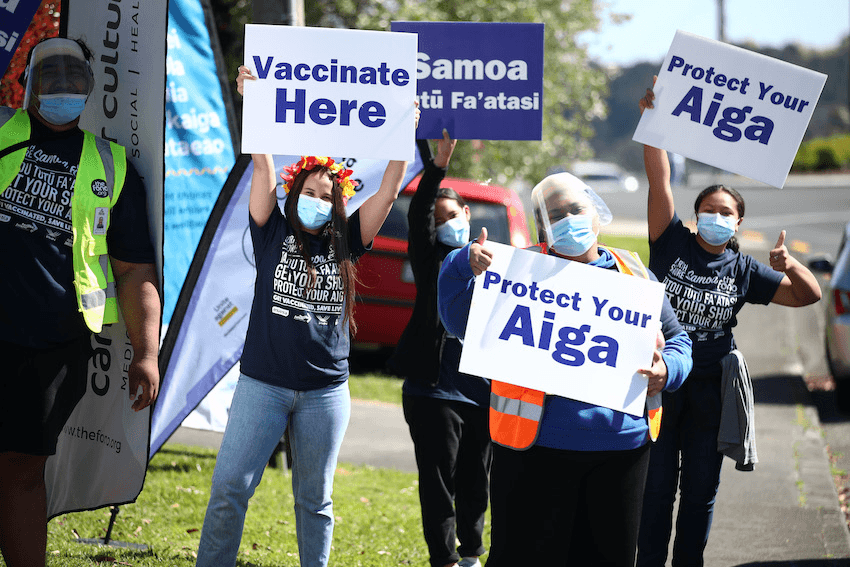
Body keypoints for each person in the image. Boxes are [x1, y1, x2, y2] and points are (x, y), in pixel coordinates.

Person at [195, 66, 419, 567]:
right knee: (230, 487)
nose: (318, 202)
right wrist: (254, 100)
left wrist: (403, 132)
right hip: (262, 384)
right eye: (310, 193)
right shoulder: (270, 229)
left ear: (339, 203)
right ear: (293, 194)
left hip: (325, 392)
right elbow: (262, 165)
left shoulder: (348, 239)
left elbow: (388, 190)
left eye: (327, 196)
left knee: (315, 501)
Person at [438, 171, 693, 566]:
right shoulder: (517, 270)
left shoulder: (635, 274)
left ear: (596, 214)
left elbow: (679, 341)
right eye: (556, 214)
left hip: (621, 453)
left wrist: (668, 370)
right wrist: (460, 262)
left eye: (576, 209)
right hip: (533, 452)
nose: (569, 220)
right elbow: (458, 321)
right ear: (543, 227)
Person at [636, 84, 822, 567]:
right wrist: (653, 123)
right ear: (696, 215)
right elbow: (658, 179)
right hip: (660, 380)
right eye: (709, 210)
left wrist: (789, 264)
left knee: (700, 490)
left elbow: (808, 295)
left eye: (726, 212)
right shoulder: (670, 241)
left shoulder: (743, 269)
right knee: (656, 487)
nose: (716, 217)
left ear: (738, 224)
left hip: (711, 389)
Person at [0, 37, 161, 567]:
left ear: (90, 88)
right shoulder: (1, 131)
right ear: (27, 83)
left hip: (54, 347)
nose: (63, 87)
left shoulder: (111, 166)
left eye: (75, 78)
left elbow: (133, 269)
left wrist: (146, 353)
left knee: (23, 469)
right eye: (51, 76)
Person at [387, 131, 491, 567]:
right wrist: (438, 165)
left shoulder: (497, 262)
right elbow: (419, 213)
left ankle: (471, 554)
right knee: (438, 482)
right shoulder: (431, 259)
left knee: (476, 480)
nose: (446, 223)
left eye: (453, 215)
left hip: (480, 392)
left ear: (468, 214)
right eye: (438, 218)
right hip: (432, 391)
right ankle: (444, 559)